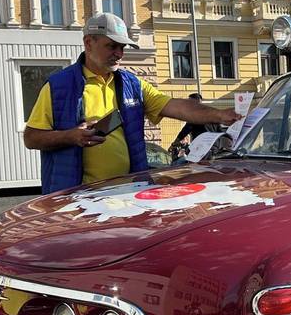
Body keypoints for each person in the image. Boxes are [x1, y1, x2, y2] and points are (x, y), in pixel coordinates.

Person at [24, 13, 238, 193]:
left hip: (127, 193)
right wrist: (70, 136)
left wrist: (220, 115)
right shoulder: (58, 86)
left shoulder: (132, 84)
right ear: (89, 43)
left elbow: (175, 106)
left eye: (122, 47)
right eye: (112, 46)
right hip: (78, 198)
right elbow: (31, 138)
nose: (119, 54)